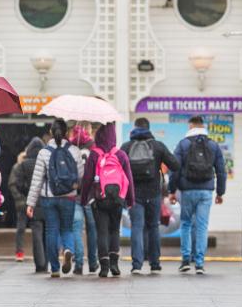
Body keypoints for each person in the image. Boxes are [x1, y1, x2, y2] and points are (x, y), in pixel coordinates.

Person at [169, 115, 226, 275]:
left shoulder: (183, 144)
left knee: (186, 224)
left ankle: (186, 260)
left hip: (187, 190)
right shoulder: (213, 145)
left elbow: (175, 169)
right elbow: (221, 170)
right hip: (206, 191)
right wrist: (220, 192)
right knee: (202, 226)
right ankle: (199, 263)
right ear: (203, 126)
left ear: (191, 126)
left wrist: (172, 190)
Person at [121, 117, 179, 274]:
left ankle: (137, 265)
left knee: (137, 227)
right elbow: (175, 165)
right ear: (148, 128)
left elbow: (119, 170)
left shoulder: (126, 147)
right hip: (154, 194)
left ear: (134, 128)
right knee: (153, 227)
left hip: (134, 195)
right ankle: (154, 264)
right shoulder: (157, 146)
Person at [26, 119, 83, 278]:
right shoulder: (74, 151)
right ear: (66, 133)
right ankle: (68, 250)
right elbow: (80, 177)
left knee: (51, 230)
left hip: (48, 198)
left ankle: (55, 268)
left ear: (51, 132)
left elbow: (37, 180)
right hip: (69, 197)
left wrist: (31, 203)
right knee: (67, 228)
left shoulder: (44, 152)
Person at [81, 122, 133, 277]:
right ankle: (114, 265)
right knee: (114, 230)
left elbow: (87, 179)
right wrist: (130, 200)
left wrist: (84, 199)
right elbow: (128, 178)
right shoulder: (120, 154)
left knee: (102, 231)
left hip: (99, 199)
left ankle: (104, 266)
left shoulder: (94, 154)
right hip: (117, 199)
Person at [8, 137, 47, 271]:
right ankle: (47, 263)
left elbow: (13, 183)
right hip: (44, 202)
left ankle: (38, 263)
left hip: (27, 202)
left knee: (27, 229)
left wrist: (21, 199)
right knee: (45, 232)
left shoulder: (23, 165)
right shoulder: (45, 163)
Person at [69, 124, 99, 274]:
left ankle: (79, 264)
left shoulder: (70, 147)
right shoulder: (94, 147)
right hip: (91, 194)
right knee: (93, 229)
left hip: (75, 193)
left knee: (77, 228)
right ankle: (93, 263)